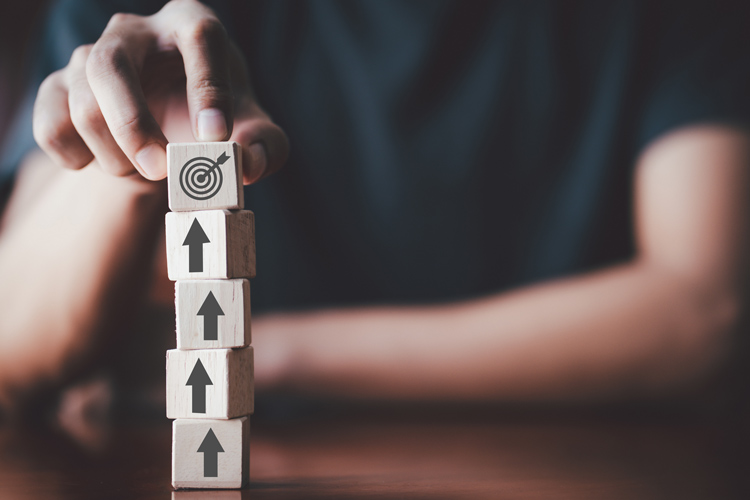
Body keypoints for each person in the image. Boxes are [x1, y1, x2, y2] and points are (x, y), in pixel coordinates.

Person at [0, 0, 749, 419]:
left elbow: (699, 307)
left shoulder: (677, 16)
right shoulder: (149, 20)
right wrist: (135, 158)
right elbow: (11, 342)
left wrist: (262, 356)